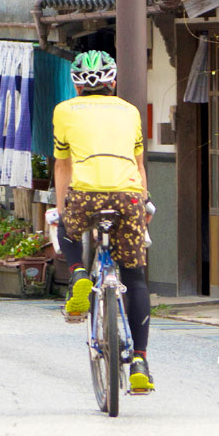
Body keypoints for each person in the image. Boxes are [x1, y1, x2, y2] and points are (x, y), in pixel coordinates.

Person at [52, 50, 155, 393]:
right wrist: (145, 202)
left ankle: (79, 274)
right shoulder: (129, 111)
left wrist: (60, 210)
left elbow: (63, 167)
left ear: (76, 85)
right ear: (113, 81)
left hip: (86, 193)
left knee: (67, 225)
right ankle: (139, 360)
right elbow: (138, 164)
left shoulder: (64, 111)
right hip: (128, 195)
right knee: (135, 277)